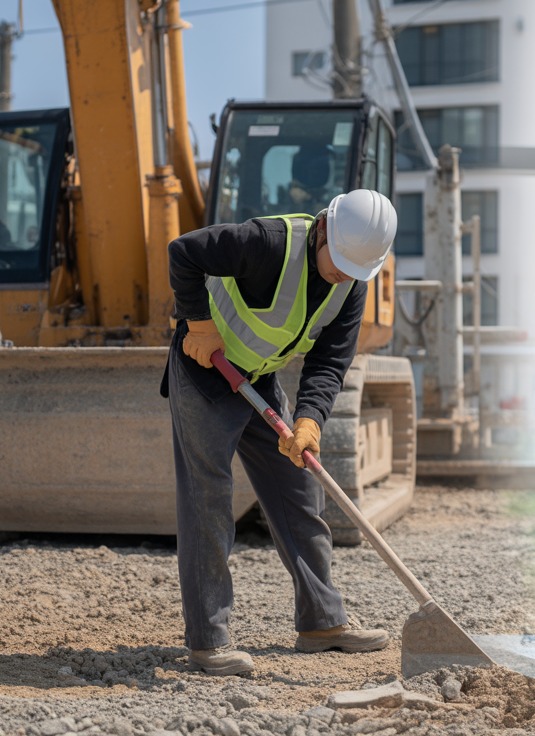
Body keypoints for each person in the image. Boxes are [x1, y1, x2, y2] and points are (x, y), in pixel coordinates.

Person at [161, 188, 397, 676]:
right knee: (208, 499)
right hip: (207, 371)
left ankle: (322, 623)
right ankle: (208, 642)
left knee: (298, 491)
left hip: (259, 380)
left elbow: (330, 361)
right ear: (324, 229)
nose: (344, 275)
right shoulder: (267, 242)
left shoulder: (353, 281)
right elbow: (183, 251)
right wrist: (198, 323)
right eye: (341, 262)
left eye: (356, 270)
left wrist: (309, 421)